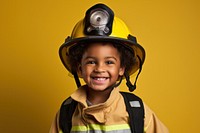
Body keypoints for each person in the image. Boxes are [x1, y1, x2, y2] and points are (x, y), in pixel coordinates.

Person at [50, 3, 169, 133]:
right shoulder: (67, 113)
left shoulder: (137, 111)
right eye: (91, 62)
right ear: (79, 68)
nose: (100, 69)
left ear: (122, 68)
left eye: (109, 62)